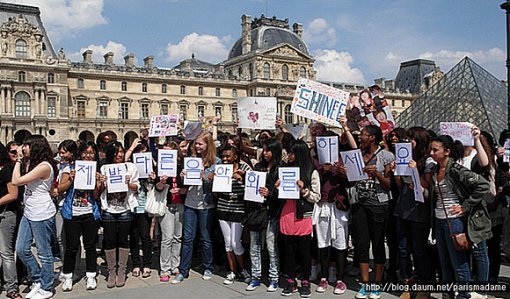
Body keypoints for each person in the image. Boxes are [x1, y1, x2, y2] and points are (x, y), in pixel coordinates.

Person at [428, 135, 491, 299]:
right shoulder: (435, 170)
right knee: (444, 263)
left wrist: (465, 206)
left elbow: (483, 184)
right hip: (440, 220)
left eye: (435, 150)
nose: (432, 153)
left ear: (447, 151)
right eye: (431, 150)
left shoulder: (456, 170)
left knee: (459, 264)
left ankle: (464, 295)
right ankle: (447, 295)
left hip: (453, 221)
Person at [351, 125, 394, 299]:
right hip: (359, 205)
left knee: (377, 244)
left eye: (363, 135)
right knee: (361, 245)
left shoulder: (386, 156)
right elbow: (351, 180)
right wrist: (344, 173)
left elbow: (389, 185)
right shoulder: (357, 156)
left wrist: (376, 173)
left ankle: (377, 282)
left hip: (378, 205)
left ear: (373, 138)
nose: (360, 137)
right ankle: (366, 284)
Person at [12, 135, 57, 299]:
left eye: (27, 145)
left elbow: (16, 181)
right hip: (29, 211)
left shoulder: (44, 166)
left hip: (41, 212)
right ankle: (39, 278)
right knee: (21, 249)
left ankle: (47, 287)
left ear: (36, 147)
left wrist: (17, 160)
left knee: (44, 253)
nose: (23, 148)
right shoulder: (32, 163)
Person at [172, 132, 220, 283]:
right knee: (188, 238)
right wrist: (183, 176)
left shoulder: (216, 162)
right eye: (196, 144)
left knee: (206, 238)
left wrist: (205, 177)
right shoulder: (191, 160)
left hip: (206, 204)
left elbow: (218, 186)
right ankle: (183, 270)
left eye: (200, 144)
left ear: (208, 145)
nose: (197, 146)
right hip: (190, 203)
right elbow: (186, 183)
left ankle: (208, 267)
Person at [392, 127, 433, 299]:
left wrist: (415, 170)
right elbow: (402, 187)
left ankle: (424, 286)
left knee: (419, 250)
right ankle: (407, 282)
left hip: (419, 212)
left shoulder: (428, 162)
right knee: (403, 249)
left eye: (412, 139)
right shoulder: (404, 157)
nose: (408, 142)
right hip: (403, 208)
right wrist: (397, 173)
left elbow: (428, 190)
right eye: (407, 139)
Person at [57, 141, 102, 291]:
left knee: (90, 246)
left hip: (89, 211)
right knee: (71, 246)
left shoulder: (96, 170)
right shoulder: (70, 168)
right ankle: (68, 276)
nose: (88, 156)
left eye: (91, 153)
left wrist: (98, 182)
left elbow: (96, 196)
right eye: (85, 152)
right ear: (80, 153)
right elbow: (60, 189)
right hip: (73, 212)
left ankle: (91, 275)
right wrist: (70, 178)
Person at [278, 140, 320, 298]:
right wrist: (277, 188)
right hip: (287, 213)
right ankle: (290, 281)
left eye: (292, 153)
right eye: (289, 152)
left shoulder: (311, 172)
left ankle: (305, 280)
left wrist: (304, 191)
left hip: (302, 214)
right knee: (288, 250)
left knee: (304, 251)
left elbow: (317, 196)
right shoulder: (285, 170)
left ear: (300, 154)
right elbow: (278, 194)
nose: (289, 156)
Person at [311, 131, 351, 295]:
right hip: (322, 205)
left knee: (340, 243)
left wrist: (344, 174)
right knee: (323, 243)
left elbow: (351, 182)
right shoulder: (315, 160)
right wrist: (321, 171)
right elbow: (309, 179)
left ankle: (340, 279)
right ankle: (324, 276)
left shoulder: (343, 158)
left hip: (339, 205)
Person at [97, 141, 140, 288]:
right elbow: (99, 191)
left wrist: (129, 183)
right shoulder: (104, 168)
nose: (120, 155)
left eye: (121, 152)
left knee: (123, 239)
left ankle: (122, 270)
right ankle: (111, 271)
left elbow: (136, 188)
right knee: (109, 240)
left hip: (125, 209)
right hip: (109, 209)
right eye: (116, 152)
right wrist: (102, 182)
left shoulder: (130, 167)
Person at [245, 138, 282, 292]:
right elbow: (252, 187)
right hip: (256, 211)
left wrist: (271, 192)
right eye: (264, 150)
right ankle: (255, 276)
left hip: (272, 212)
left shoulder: (281, 169)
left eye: (268, 150)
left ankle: (274, 277)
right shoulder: (258, 167)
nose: (265, 153)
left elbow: (284, 194)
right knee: (254, 246)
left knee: (271, 247)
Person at [213, 145, 251, 285]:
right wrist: (214, 180)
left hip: (238, 207)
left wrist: (243, 178)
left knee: (236, 243)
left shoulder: (244, 168)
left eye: (228, 156)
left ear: (235, 156)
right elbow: (216, 191)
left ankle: (244, 269)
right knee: (228, 243)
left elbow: (253, 186)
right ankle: (232, 271)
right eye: (223, 156)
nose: (225, 159)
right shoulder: (220, 168)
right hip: (223, 206)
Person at [156, 141, 186, 282]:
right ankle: (165, 268)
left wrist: (182, 184)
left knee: (177, 237)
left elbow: (188, 188)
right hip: (167, 205)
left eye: (169, 152)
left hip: (180, 204)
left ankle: (175, 265)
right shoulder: (161, 168)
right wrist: (162, 181)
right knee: (167, 238)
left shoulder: (182, 166)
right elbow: (157, 188)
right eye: (164, 151)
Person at [127, 139, 154, 279]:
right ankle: (136, 263)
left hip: (144, 206)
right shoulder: (129, 167)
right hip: (132, 205)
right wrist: (132, 147)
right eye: (139, 152)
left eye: (144, 151)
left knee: (145, 236)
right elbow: (124, 160)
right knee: (133, 237)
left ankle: (147, 263)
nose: (142, 154)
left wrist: (152, 178)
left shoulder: (151, 166)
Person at [0, 142, 21, 299]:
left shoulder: (7, 170)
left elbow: (13, 194)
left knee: (6, 252)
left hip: (6, 214)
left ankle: (11, 286)